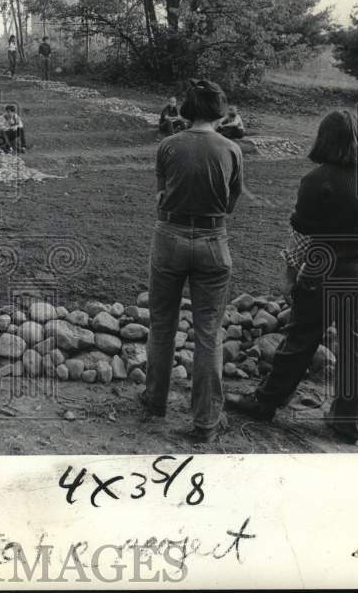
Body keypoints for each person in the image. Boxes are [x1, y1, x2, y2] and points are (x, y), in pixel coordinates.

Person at [225, 110, 358, 443]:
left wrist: (294, 274)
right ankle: (349, 423)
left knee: (301, 336)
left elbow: (303, 231)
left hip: (331, 269)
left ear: (324, 139)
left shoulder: (317, 181)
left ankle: (266, 403)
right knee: (357, 343)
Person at [140, 79, 243, 444]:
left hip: (169, 237)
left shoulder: (168, 145)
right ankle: (206, 420)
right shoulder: (231, 149)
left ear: (186, 108)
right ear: (219, 110)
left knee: (162, 324)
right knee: (208, 333)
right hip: (214, 241)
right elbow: (231, 203)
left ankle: (154, 402)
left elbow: (160, 195)